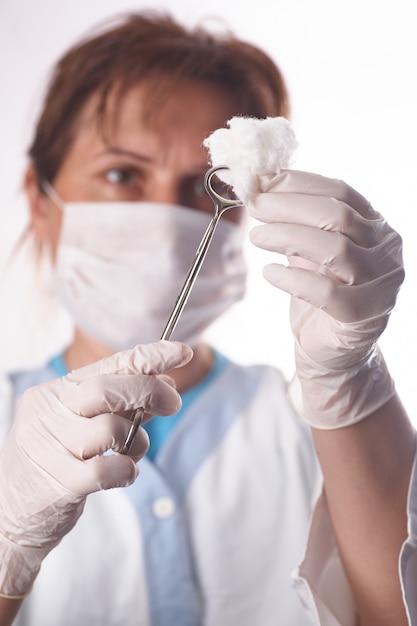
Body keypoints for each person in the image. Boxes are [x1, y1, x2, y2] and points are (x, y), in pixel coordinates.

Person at [0, 10, 415, 626]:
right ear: (40, 199)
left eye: (204, 183)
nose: (168, 223)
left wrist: (350, 383)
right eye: (122, 174)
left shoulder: (311, 428)